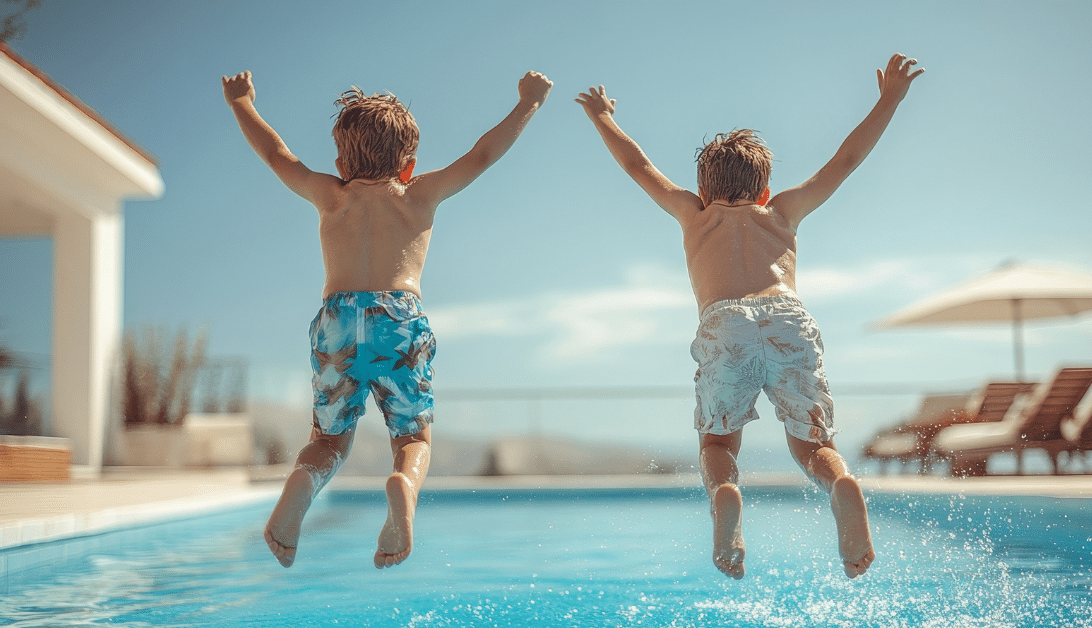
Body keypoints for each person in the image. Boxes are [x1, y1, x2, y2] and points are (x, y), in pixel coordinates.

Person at [576, 53, 923, 580]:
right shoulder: (782, 211)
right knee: (814, 445)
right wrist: (890, 98)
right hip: (787, 318)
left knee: (718, 443)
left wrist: (602, 116)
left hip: (725, 324)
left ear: (704, 188)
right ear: (763, 188)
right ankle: (840, 486)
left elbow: (636, 165)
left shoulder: (692, 214)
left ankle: (727, 499)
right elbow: (846, 160)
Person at [222, 69, 553, 569]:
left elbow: (276, 154)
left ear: (339, 161)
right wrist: (528, 102)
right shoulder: (419, 194)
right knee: (412, 437)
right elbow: (483, 154)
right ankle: (403, 487)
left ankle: (300, 492)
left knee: (329, 439)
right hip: (399, 319)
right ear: (409, 165)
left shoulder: (329, 194)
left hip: (338, 320)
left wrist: (242, 102)